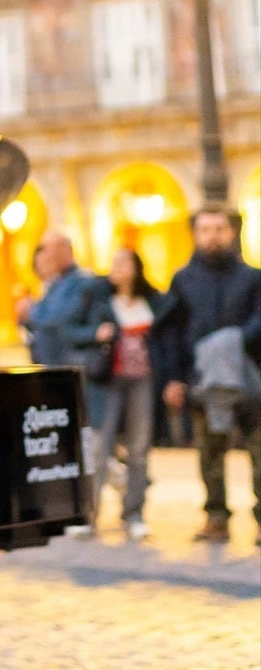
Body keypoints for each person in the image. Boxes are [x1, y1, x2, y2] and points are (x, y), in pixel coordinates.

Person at [161, 202, 261, 545]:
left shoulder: (252, 277)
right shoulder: (182, 279)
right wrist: (174, 378)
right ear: (195, 234)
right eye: (206, 229)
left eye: (219, 229)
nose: (213, 236)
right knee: (209, 453)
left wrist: (229, 344)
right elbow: (172, 332)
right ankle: (216, 518)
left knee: (259, 451)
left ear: (231, 232)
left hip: (250, 380)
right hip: (201, 380)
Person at [87, 248, 176, 541]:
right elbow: (72, 329)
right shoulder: (101, 301)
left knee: (139, 449)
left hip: (143, 381)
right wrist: (95, 334)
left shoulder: (153, 303)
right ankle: (90, 513)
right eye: (113, 262)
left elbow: (167, 335)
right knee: (100, 447)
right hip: (109, 381)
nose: (116, 268)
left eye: (123, 262)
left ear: (136, 268)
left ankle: (134, 513)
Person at [16, 232, 112, 367]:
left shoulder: (82, 281)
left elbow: (59, 318)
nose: (47, 257)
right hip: (50, 362)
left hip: (73, 362)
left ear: (63, 250)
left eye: (48, 251)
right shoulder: (55, 284)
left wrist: (31, 311)